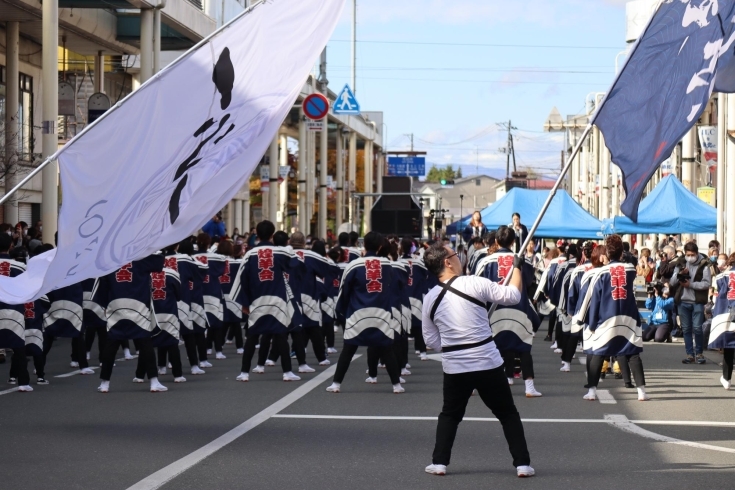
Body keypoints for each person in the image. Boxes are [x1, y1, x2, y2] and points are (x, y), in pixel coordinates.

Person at [421, 242, 534, 478]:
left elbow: (430, 339)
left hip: (455, 365)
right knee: (507, 414)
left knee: (450, 415)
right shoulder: (474, 282)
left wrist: (454, 346)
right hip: (487, 361)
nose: (460, 258)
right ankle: (522, 464)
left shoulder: (430, 298)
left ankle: (439, 462)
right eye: (455, 254)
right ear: (447, 262)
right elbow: (512, 296)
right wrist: (517, 269)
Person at [326, 231, 404, 394]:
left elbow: (344, 291)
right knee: (386, 349)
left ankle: (336, 384)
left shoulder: (354, 265)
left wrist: (340, 313)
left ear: (364, 245)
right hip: (382, 313)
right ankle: (396, 385)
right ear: (380, 246)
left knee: (348, 350)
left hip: (357, 313)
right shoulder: (387, 264)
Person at [575, 235, 648, 402]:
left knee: (598, 352)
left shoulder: (600, 272)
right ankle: (641, 391)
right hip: (629, 316)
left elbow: (593, 297)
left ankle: (592, 390)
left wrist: (585, 320)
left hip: (607, 317)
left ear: (606, 253)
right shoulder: (630, 269)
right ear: (622, 252)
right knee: (633, 353)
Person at [475, 226, 542, 397]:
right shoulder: (522, 260)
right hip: (519, 309)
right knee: (523, 347)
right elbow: (528, 282)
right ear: (513, 242)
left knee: (488, 349)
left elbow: (477, 287)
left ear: (496, 241)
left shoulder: (485, 261)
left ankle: (478, 385)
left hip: (493, 310)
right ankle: (529, 386)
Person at [233, 220, 302, 382]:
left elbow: (242, 278)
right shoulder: (280, 252)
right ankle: (287, 372)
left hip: (256, 300)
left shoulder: (250, 254)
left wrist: (244, 302)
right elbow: (295, 264)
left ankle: (244, 372)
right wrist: (289, 249)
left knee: (252, 335)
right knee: (281, 336)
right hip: (277, 298)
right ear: (272, 235)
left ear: (256, 233)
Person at [670, 242, 712, 364]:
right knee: (686, 329)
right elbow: (672, 282)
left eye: (692, 254)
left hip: (697, 301)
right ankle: (690, 354)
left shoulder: (704, 264)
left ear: (697, 253)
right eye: (688, 254)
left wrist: (691, 285)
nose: (690, 257)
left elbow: (706, 283)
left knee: (698, 328)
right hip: (682, 301)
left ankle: (699, 353)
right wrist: (680, 275)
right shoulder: (681, 263)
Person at [708, 252, 735, 390]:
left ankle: (727, 378)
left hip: (728, 314)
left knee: (729, 347)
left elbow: (720, 295)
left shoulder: (723, 276)